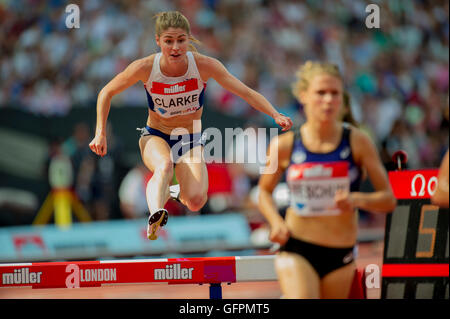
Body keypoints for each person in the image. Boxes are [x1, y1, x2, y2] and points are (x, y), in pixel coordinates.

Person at [89, 11, 292, 240]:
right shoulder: (145, 67)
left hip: (189, 139)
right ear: (158, 41)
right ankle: (156, 214)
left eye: (181, 40)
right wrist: (100, 133)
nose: (175, 47)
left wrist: (274, 113)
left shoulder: (204, 66)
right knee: (164, 166)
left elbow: (244, 92)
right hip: (156, 135)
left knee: (195, 201)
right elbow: (106, 92)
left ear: (188, 39)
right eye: (168, 41)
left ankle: (170, 191)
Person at [258, 61, 397, 299]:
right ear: (303, 96)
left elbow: (388, 200)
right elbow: (263, 192)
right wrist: (275, 222)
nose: (328, 99)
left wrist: (355, 198)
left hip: (339, 253)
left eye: (335, 93)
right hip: (297, 247)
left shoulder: (358, 141)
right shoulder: (283, 145)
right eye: (321, 92)